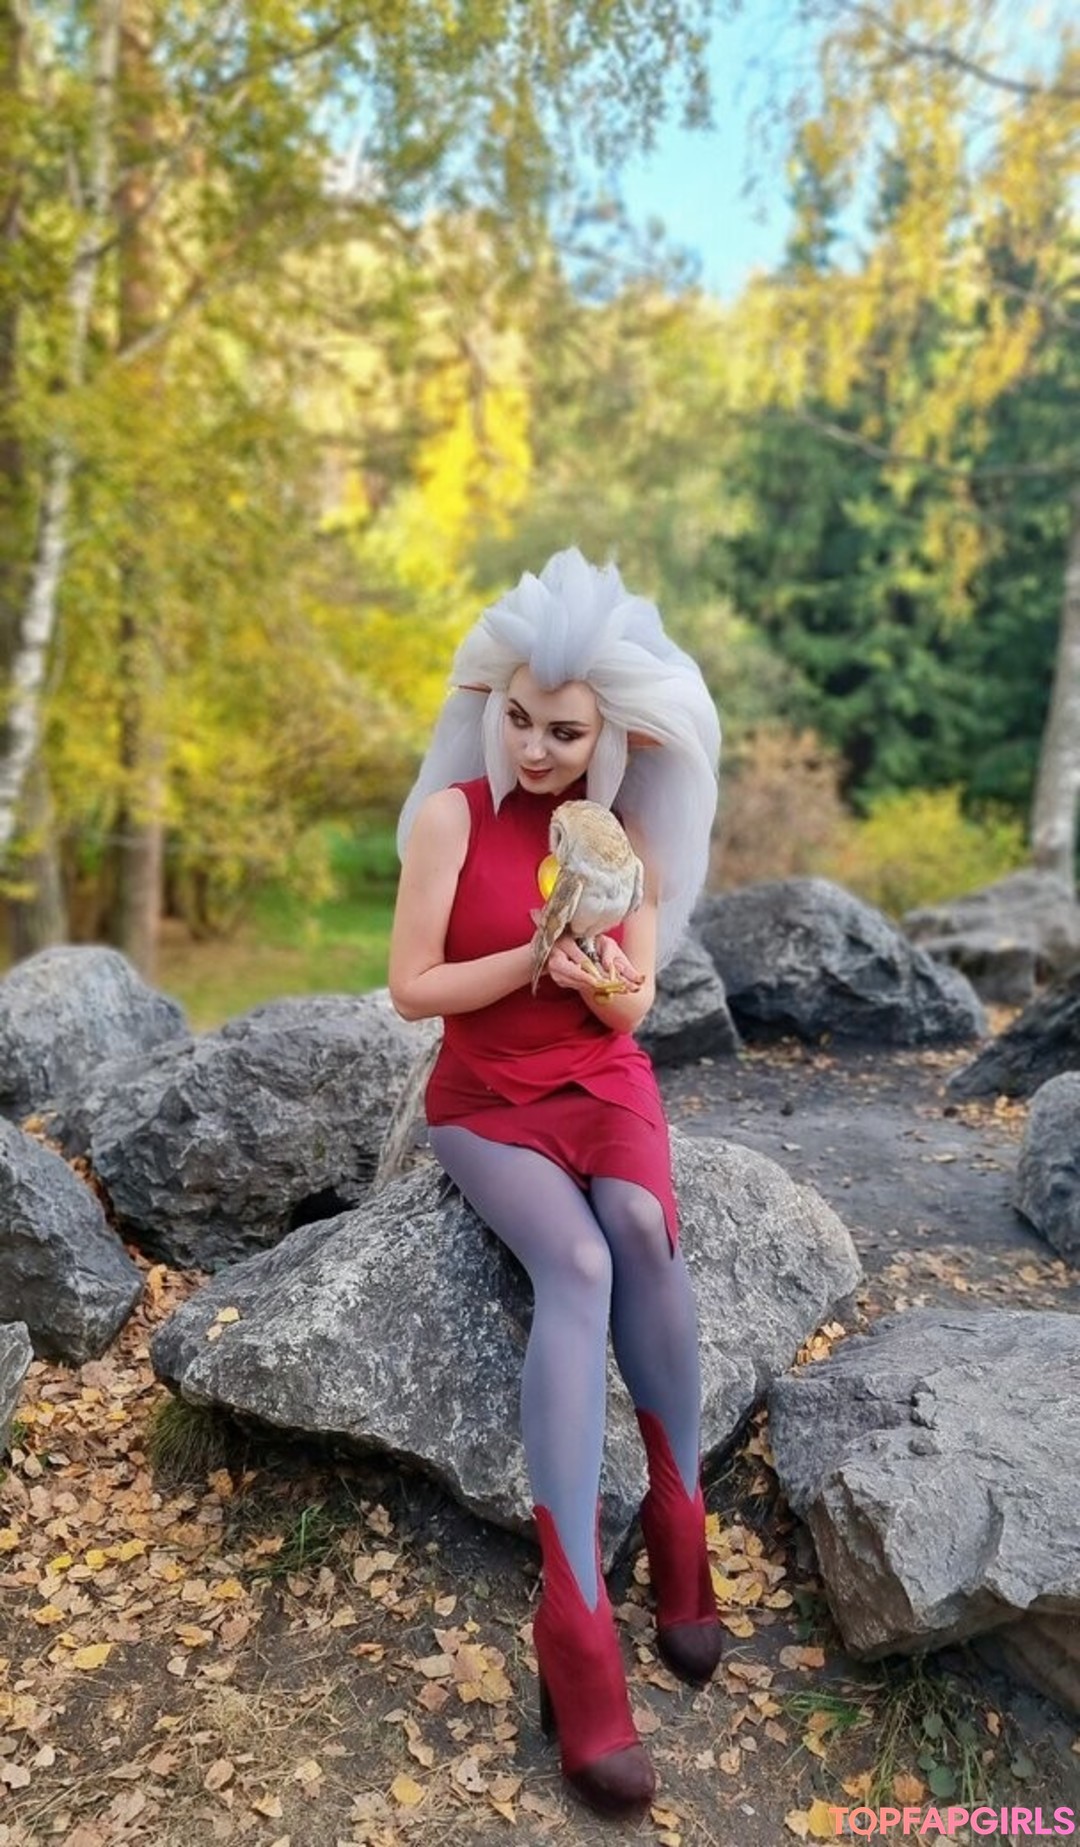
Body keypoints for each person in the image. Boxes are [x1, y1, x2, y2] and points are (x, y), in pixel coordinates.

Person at [388, 548, 722, 1818]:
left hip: (600, 1077)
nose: (535, 748)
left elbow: (634, 1007)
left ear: (609, 736)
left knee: (638, 1223)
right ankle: (574, 1615)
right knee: (575, 1261)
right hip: (486, 1094)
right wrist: (530, 960)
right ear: (494, 704)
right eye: (519, 718)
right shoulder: (452, 816)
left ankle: (681, 1519)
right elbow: (413, 987)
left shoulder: (622, 838)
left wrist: (599, 977)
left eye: (564, 731)